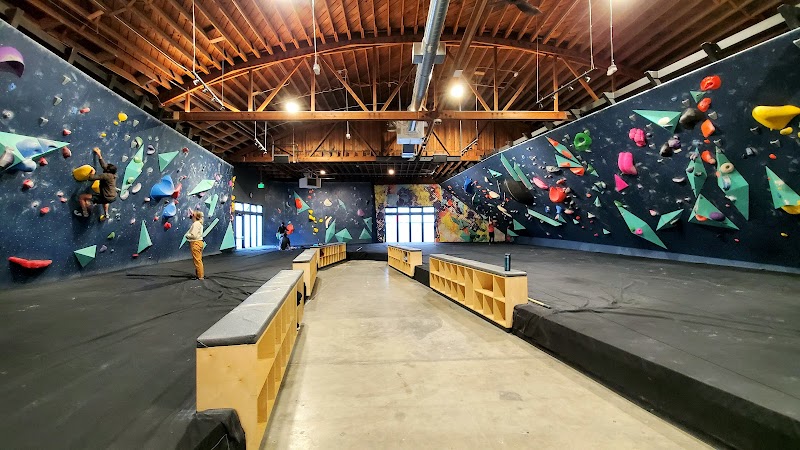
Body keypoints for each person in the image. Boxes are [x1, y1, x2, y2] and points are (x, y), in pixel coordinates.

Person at [75, 147, 117, 221]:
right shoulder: (113, 175)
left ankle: (84, 213)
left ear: (108, 170)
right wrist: (99, 155)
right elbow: (104, 166)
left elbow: (91, 178)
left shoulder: (106, 176)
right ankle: (106, 214)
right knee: (105, 201)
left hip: (106, 197)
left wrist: (92, 172)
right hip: (113, 197)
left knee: (82, 197)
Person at [185, 210, 205, 279]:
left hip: (195, 243)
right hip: (199, 242)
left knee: (197, 260)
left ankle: (200, 276)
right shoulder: (199, 223)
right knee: (198, 260)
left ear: (194, 216)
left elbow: (194, 235)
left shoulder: (196, 224)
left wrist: (187, 235)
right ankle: (199, 275)